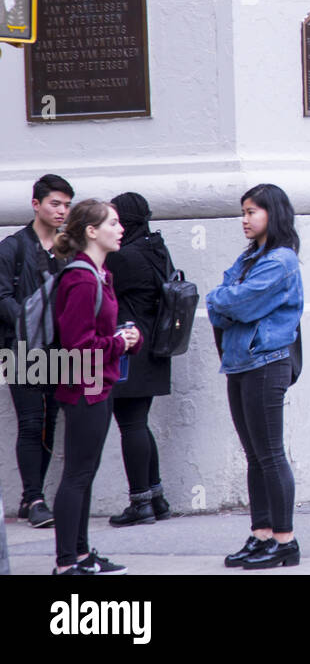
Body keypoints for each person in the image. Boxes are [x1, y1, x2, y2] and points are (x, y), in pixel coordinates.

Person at [207, 184, 304, 569]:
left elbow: (237, 302)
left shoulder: (279, 261)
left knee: (270, 453)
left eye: (252, 212)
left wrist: (226, 299)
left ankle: (285, 540)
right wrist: (226, 299)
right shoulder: (251, 258)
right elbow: (220, 302)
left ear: (272, 214)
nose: (245, 220)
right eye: (243, 212)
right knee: (254, 455)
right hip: (240, 362)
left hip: (266, 362)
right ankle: (261, 534)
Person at [51, 199, 139, 574]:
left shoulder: (99, 275)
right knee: (76, 475)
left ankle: (82, 555)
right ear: (91, 231)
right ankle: (66, 562)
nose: (120, 230)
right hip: (84, 387)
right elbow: (78, 346)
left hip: (99, 385)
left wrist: (117, 337)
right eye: (113, 223)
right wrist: (121, 344)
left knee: (85, 473)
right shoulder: (81, 279)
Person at [0, 174, 75, 529]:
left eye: (66, 205)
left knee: (48, 423)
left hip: (59, 351)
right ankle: (35, 497)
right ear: (36, 205)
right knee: (31, 422)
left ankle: (32, 498)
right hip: (21, 351)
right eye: (55, 204)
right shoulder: (13, 247)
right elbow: (2, 297)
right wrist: (30, 328)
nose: (62, 211)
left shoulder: (67, 249)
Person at [104, 193, 175, 526]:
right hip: (154, 347)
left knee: (130, 423)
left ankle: (140, 503)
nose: (114, 227)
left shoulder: (125, 257)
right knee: (139, 423)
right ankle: (155, 498)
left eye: (117, 220)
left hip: (131, 347)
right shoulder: (156, 249)